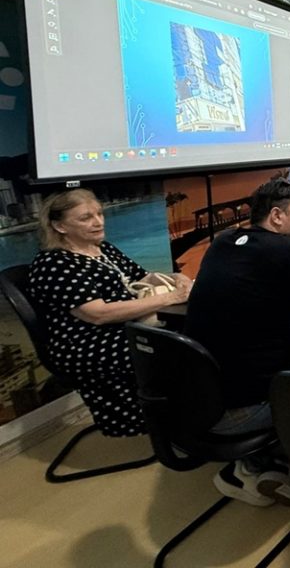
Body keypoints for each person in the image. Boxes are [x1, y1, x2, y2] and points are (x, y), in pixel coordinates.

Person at [186, 178, 290, 506]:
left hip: (193, 400)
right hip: (238, 413)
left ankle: (254, 464)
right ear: (276, 216)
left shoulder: (222, 242)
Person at [27, 188, 191, 438]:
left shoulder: (102, 249)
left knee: (194, 332)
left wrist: (177, 277)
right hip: (87, 342)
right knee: (180, 347)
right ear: (59, 226)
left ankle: (192, 410)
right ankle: (178, 417)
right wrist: (170, 298)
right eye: (86, 218)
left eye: (99, 214)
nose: (98, 222)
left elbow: (143, 277)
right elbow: (97, 314)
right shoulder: (54, 263)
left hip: (122, 327)